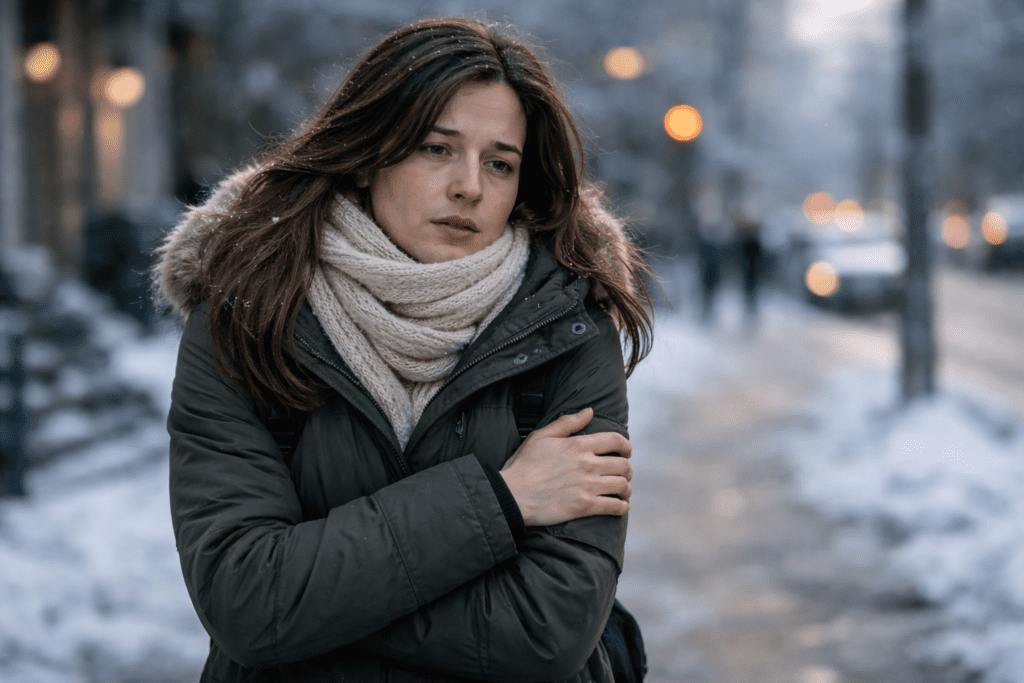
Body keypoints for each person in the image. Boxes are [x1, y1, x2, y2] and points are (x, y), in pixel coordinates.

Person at [153, 17, 653, 683]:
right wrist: (502, 499)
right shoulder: (248, 316)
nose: (469, 186)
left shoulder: (567, 329)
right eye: (436, 149)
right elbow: (247, 598)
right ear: (368, 152)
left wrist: (321, 602)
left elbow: (546, 630)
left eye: (499, 162)